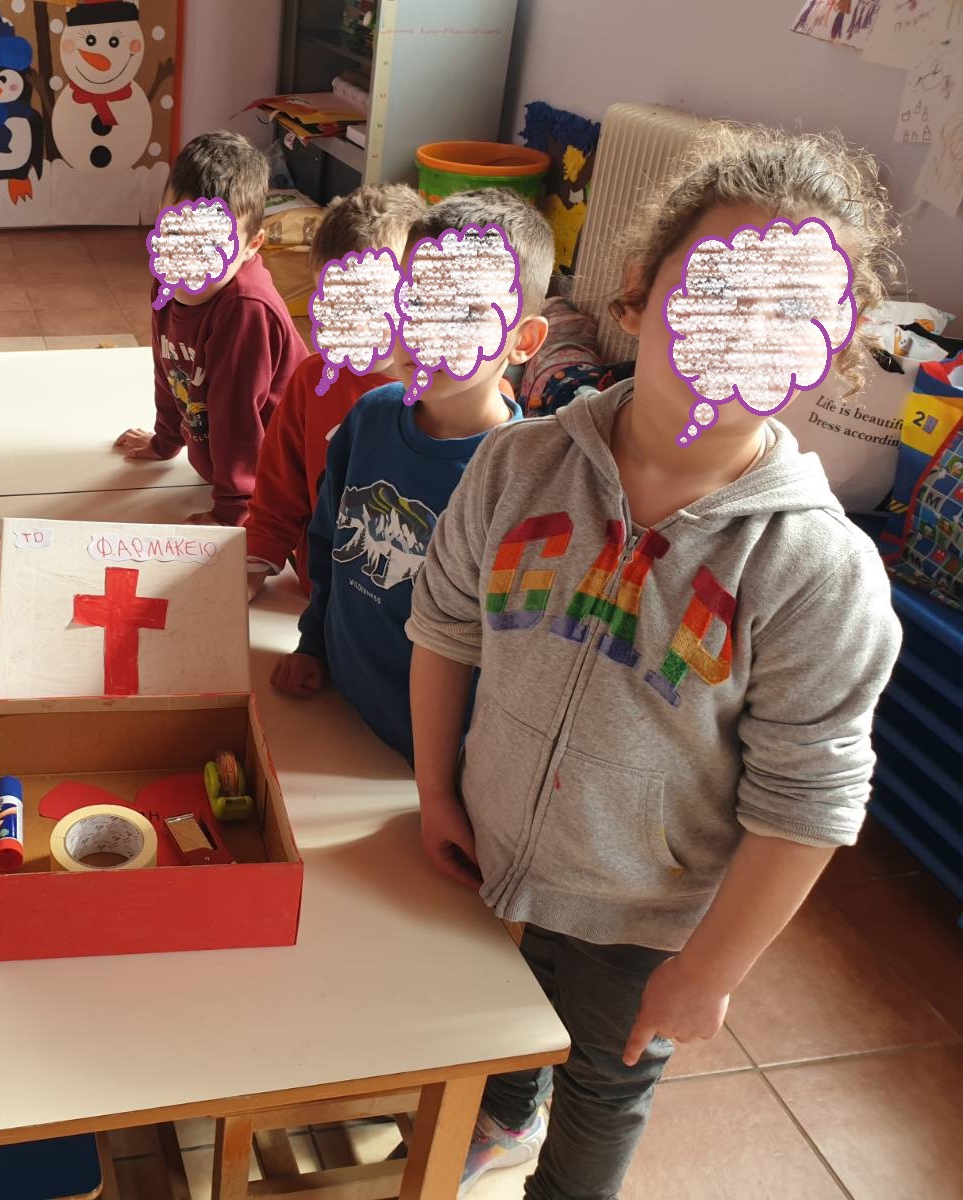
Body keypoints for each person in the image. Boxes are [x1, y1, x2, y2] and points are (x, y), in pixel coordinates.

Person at [406, 126, 903, 1198]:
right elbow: (443, 628)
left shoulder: (818, 571)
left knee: (602, 1081)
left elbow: (808, 802)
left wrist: (710, 972)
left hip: (642, 915)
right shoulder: (517, 463)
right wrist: (435, 789)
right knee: (498, 1022)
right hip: (491, 841)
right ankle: (504, 1110)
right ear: (638, 297)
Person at [271, 189, 554, 764]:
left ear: (522, 340)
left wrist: (448, 773)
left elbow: (514, 649)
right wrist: (312, 644)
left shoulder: (524, 479)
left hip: (430, 759)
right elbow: (327, 542)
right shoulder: (368, 417)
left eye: (464, 312)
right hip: (335, 705)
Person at [244, 183, 427, 599]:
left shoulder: (454, 396)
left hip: (412, 610)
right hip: (321, 597)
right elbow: (279, 488)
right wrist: (255, 560)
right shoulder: (312, 381)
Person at [113, 130, 305, 526]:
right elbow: (169, 369)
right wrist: (165, 441)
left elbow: (238, 420)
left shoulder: (245, 310)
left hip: (279, 483)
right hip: (223, 465)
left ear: (252, 245)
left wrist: (233, 511)